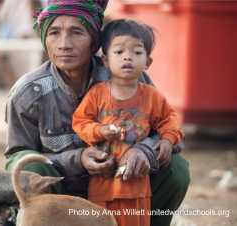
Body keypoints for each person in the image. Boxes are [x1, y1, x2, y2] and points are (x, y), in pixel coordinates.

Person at [4, 1, 190, 226]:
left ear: (95, 42)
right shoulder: (27, 94)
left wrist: (144, 150)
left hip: (124, 190)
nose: (64, 44)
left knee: (176, 169)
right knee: (29, 167)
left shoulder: (129, 75)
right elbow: (17, 160)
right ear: (44, 40)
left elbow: (171, 132)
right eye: (54, 33)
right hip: (61, 198)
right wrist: (77, 160)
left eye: (76, 33)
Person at [72, 19, 184, 226]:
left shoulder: (152, 96)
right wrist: (99, 131)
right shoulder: (97, 94)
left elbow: (169, 120)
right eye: (119, 52)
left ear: (148, 63)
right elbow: (80, 122)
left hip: (137, 184)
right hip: (102, 181)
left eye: (137, 53)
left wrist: (168, 140)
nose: (128, 57)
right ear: (105, 60)